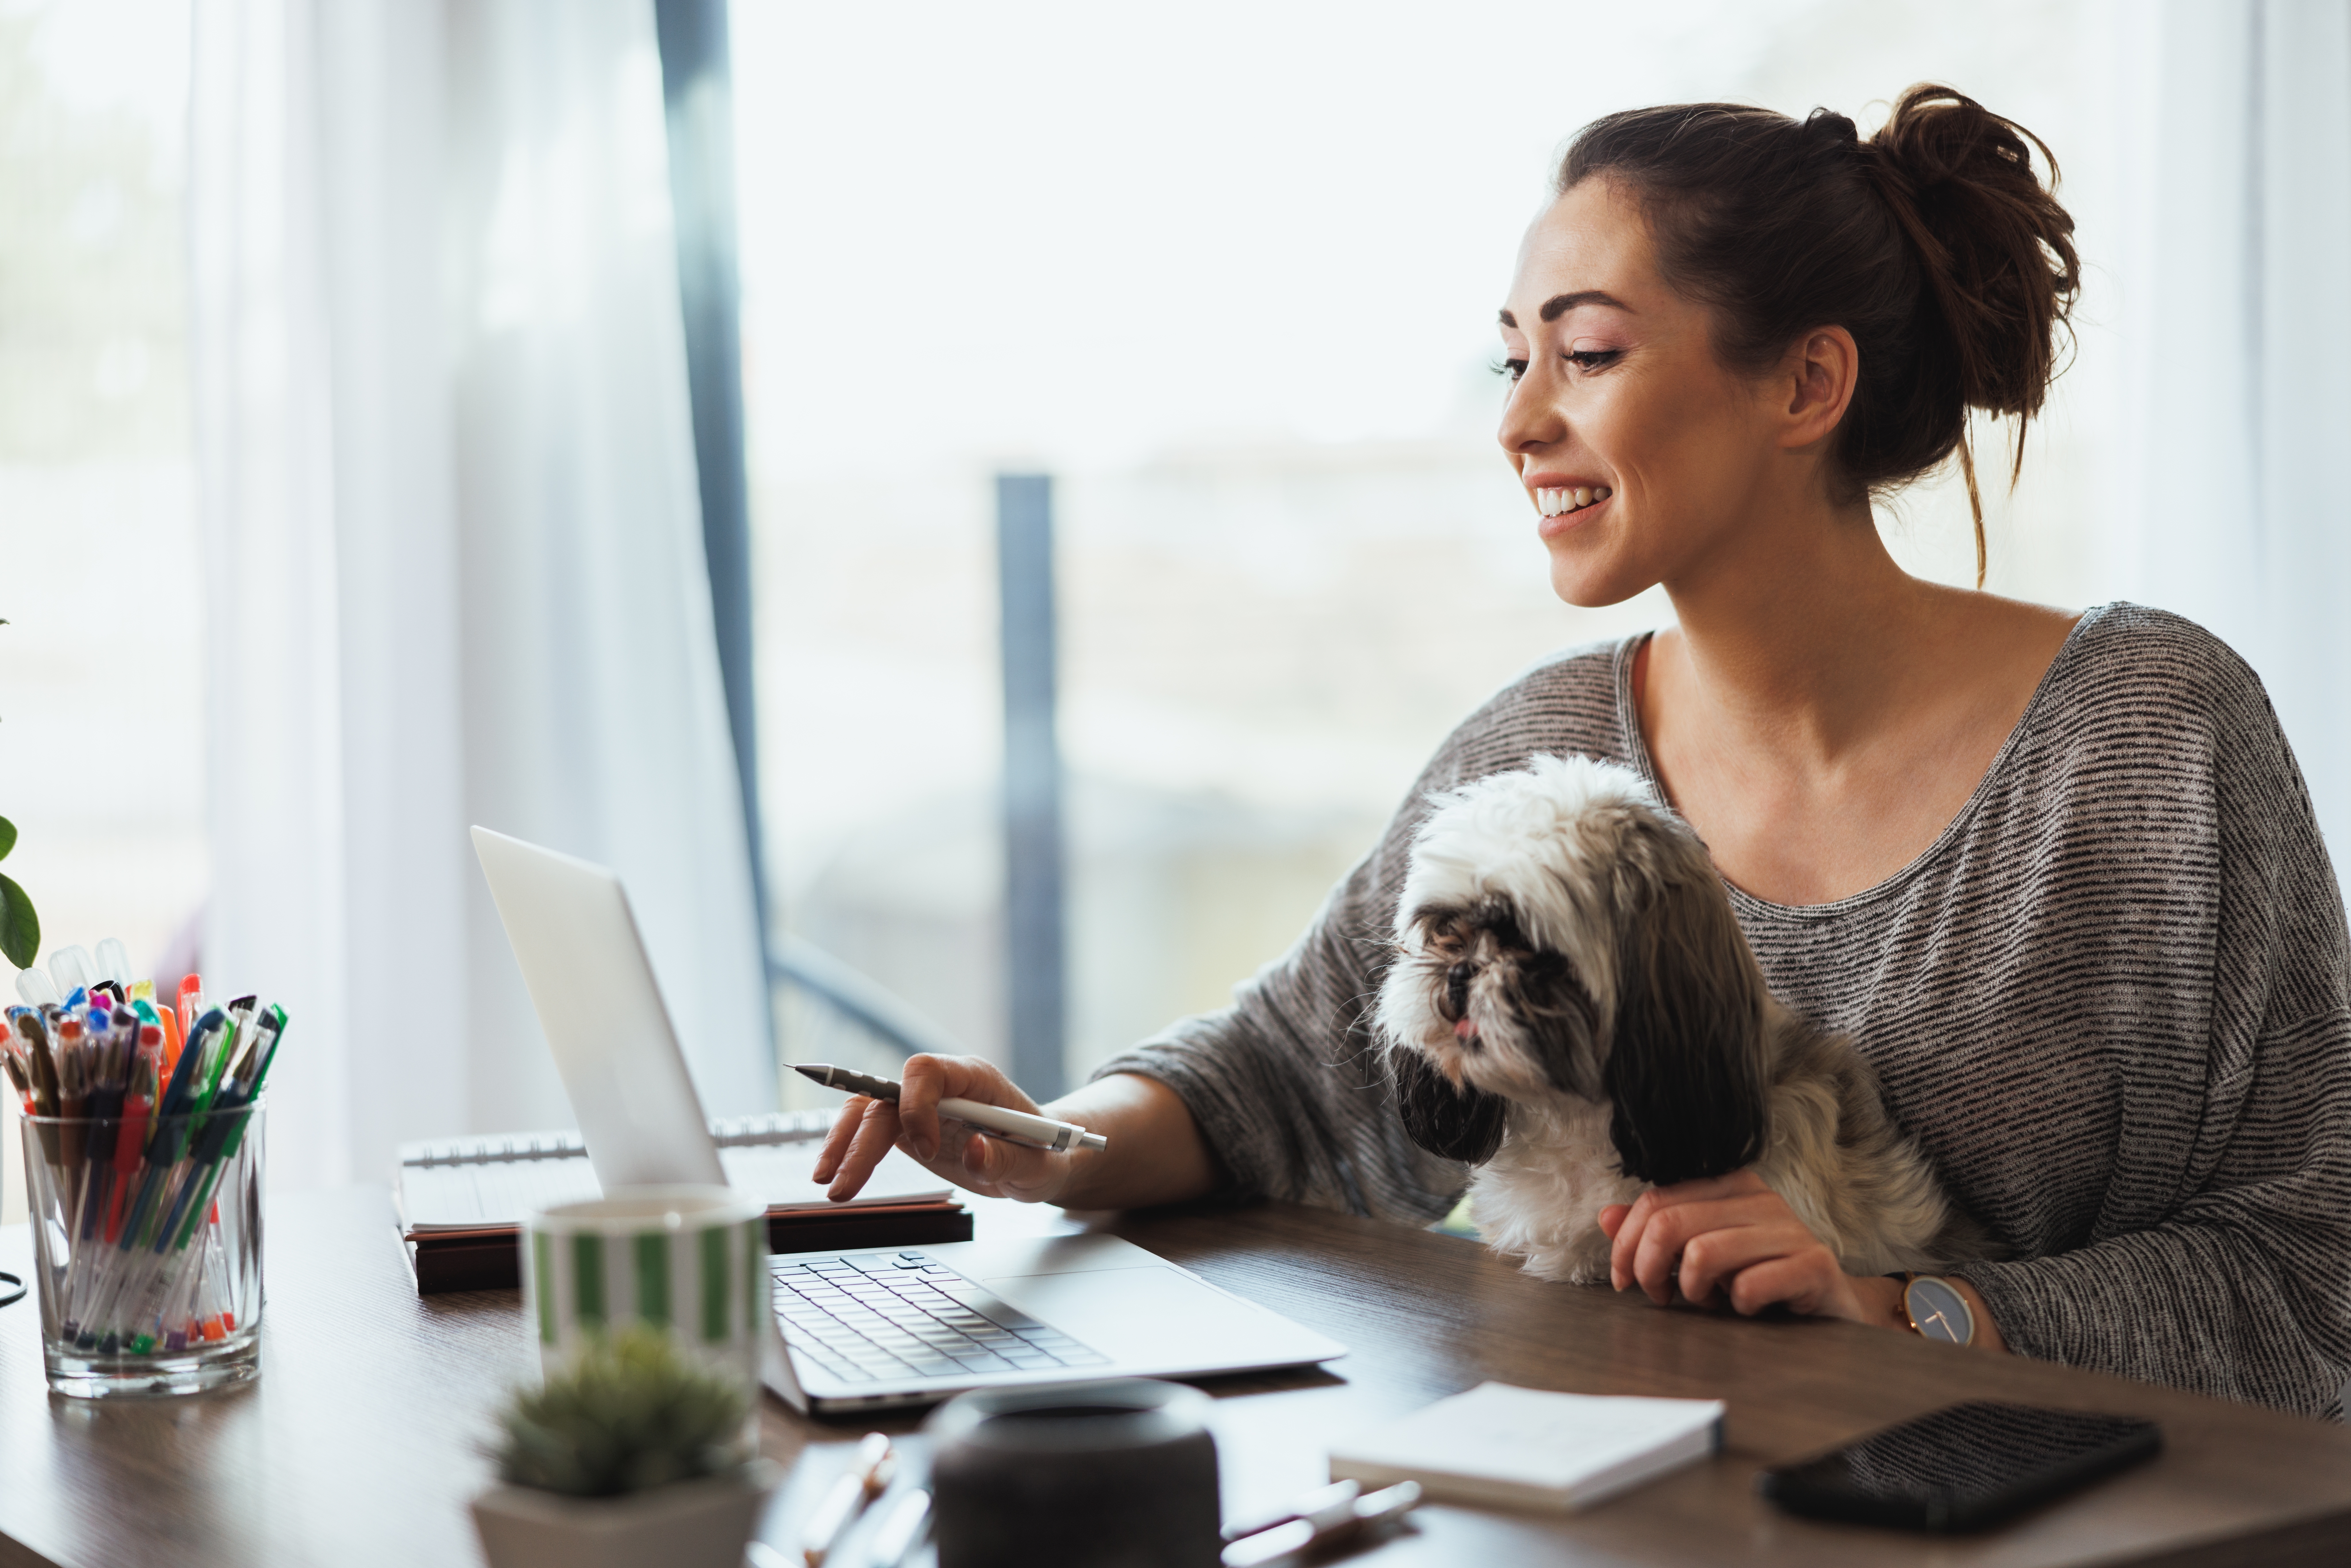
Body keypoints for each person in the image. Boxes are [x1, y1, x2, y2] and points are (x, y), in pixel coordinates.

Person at [815, 85, 2351, 1419]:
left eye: (1590, 354)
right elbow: (1289, 1074)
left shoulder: (2151, 739)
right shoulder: (1541, 749)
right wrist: (1041, 1146)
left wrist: (1909, 1310)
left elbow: (2314, 1260)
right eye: (1512, 364)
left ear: (1808, 385)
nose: (1520, 424)